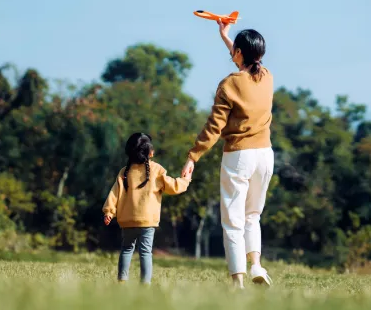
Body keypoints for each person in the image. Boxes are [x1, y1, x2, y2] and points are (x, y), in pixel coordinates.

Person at [181, 21, 274, 289]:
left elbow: (214, 127)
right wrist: (225, 36)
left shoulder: (229, 84)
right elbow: (246, 62)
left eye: (234, 51)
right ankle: (256, 264)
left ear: (240, 54)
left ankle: (238, 283)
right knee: (252, 216)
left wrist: (193, 156)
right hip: (265, 156)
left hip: (239, 156)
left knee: (233, 220)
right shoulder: (267, 76)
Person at [103, 132, 191, 284]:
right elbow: (173, 187)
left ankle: (122, 280)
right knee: (145, 252)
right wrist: (185, 180)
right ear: (150, 152)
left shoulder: (124, 171)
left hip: (127, 220)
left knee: (126, 249)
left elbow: (114, 193)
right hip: (147, 221)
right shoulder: (156, 170)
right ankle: (145, 283)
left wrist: (109, 211)